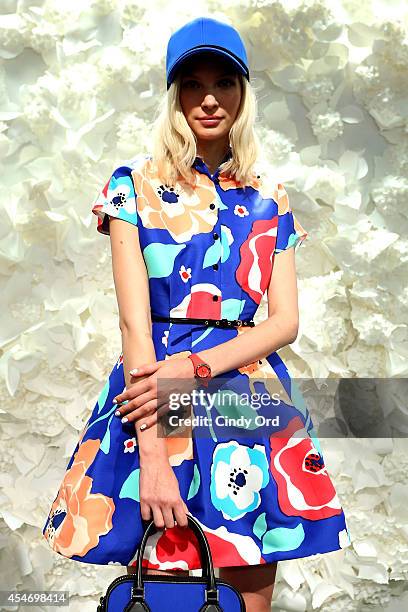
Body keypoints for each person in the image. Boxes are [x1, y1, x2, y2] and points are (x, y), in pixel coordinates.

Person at [42, 17, 352, 612]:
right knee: (166, 591)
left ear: (243, 94)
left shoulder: (270, 195)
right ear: (172, 94)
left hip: (244, 400)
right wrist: (154, 457)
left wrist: (195, 368)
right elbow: (135, 325)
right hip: (154, 400)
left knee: (250, 591)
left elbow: (284, 323)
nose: (209, 98)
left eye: (224, 83)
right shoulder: (132, 187)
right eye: (191, 83)